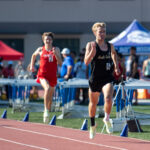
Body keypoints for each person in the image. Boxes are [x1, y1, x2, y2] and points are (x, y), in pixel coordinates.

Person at [84, 22, 120, 139]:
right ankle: (93, 125)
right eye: (100, 31)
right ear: (95, 32)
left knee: (108, 98)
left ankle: (107, 118)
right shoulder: (91, 45)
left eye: (104, 31)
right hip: (95, 79)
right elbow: (86, 62)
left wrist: (116, 66)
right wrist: (92, 53)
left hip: (107, 77)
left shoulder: (110, 46)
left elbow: (114, 54)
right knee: (93, 103)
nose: (102, 34)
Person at [29, 32, 62, 123]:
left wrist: (55, 54)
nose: (48, 41)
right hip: (42, 75)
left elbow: (60, 63)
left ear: (52, 40)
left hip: (52, 76)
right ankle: (45, 111)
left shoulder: (56, 49)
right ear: (43, 40)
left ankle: (48, 109)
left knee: (50, 97)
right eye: (46, 39)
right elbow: (33, 55)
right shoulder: (40, 49)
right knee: (47, 88)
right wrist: (32, 66)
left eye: (49, 39)